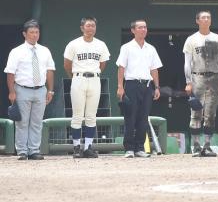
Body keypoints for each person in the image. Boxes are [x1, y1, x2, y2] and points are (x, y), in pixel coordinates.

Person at [5, 19, 56, 160]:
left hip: (40, 89)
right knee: (22, 122)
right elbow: (10, 73)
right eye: (32, 32)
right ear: (24, 34)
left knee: (37, 121)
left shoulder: (45, 51)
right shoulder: (16, 52)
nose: (34, 35)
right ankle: (22, 151)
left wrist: (50, 90)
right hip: (22, 89)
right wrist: (12, 91)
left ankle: (34, 150)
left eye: (37, 32)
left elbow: (50, 70)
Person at [63, 17, 110, 159]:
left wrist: (95, 74)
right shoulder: (74, 44)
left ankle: (88, 147)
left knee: (91, 116)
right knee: (77, 116)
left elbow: (103, 63)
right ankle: (76, 147)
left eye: (93, 26)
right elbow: (67, 64)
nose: (91, 28)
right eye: (88, 25)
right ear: (82, 27)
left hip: (95, 79)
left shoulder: (101, 44)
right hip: (78, 78)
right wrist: (75, 77)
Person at [116, 19, 162, 158]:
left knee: (143, 118)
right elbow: (121, 67)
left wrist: (157, 87)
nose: (143, 30)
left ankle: (139, 148)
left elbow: (154, 69)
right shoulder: (126, 47)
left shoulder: (151, 48)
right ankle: (129, 148)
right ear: (133, 30)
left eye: (145, 27)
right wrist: (120, 87)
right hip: (131, 85)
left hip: (147, 86)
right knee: (130, 117)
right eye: (140, 27)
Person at [183, 10, 218, 157]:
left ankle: (207, 146)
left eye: (208, 17)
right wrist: (188, 81)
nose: (206, 19)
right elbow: (187, 63)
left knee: (211, 114)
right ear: (197, 20)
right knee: (196, 113)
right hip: (197, 77)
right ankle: (195, 146)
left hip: (214, 78)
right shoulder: (191, 39)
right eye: (203, 17)